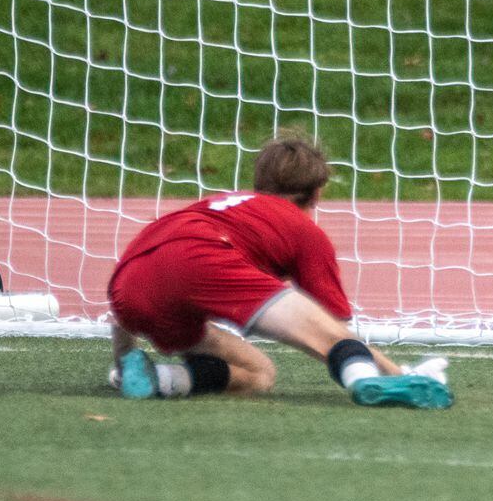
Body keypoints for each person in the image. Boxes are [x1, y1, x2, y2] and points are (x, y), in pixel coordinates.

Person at [106, 136, 452, 408]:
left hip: (129, 281)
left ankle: (157, 377)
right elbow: (333, 330)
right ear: (318, 193)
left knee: (258, 373)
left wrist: (123, 357)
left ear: (259, 183)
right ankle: (368, 382)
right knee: (331, 339)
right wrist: (397, 370)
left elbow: (141, 289)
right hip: (206, 261)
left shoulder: (216, 204)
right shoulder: (304, 232)